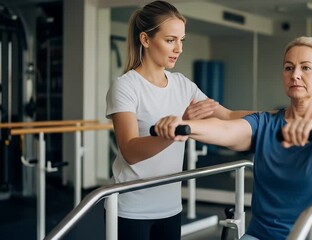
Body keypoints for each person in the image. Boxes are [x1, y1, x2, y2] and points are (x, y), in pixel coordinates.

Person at [153, 36, 312, 240]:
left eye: (305, 68)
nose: (295, 75)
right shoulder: (265, 123)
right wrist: (184, 126)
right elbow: (226, 129)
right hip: (264, 234)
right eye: (288, 67)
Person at [105, 1, 254, 239]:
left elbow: (226, 115)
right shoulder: (126, 87)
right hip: (131, 209)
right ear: (145, 39)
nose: (179, 48)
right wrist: (178, 129)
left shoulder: (183, 85)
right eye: (170, 40)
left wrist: (286, 114)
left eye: (181, 40)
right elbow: (130, 150)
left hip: (170, 207)